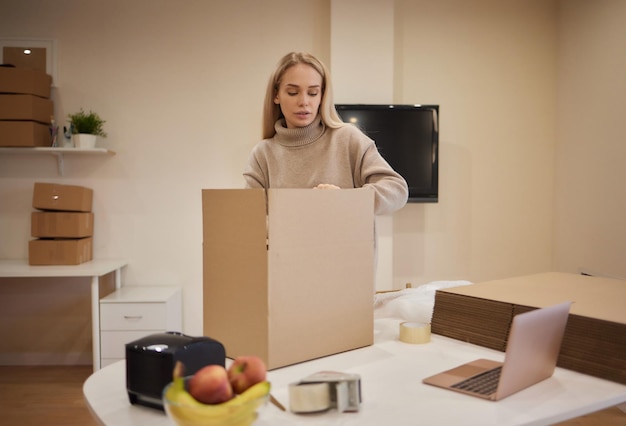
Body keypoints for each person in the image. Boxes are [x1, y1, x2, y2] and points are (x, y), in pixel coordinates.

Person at [243, 51, 408, 215]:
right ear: (276, 95)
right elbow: (251, 218)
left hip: (345, 242)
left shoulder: (348, 139)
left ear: (322, 96)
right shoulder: (262, 154)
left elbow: (396, 189)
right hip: (285, 242)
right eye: (293, 92)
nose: (304, 102)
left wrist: (344, 199)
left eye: (313, 93)